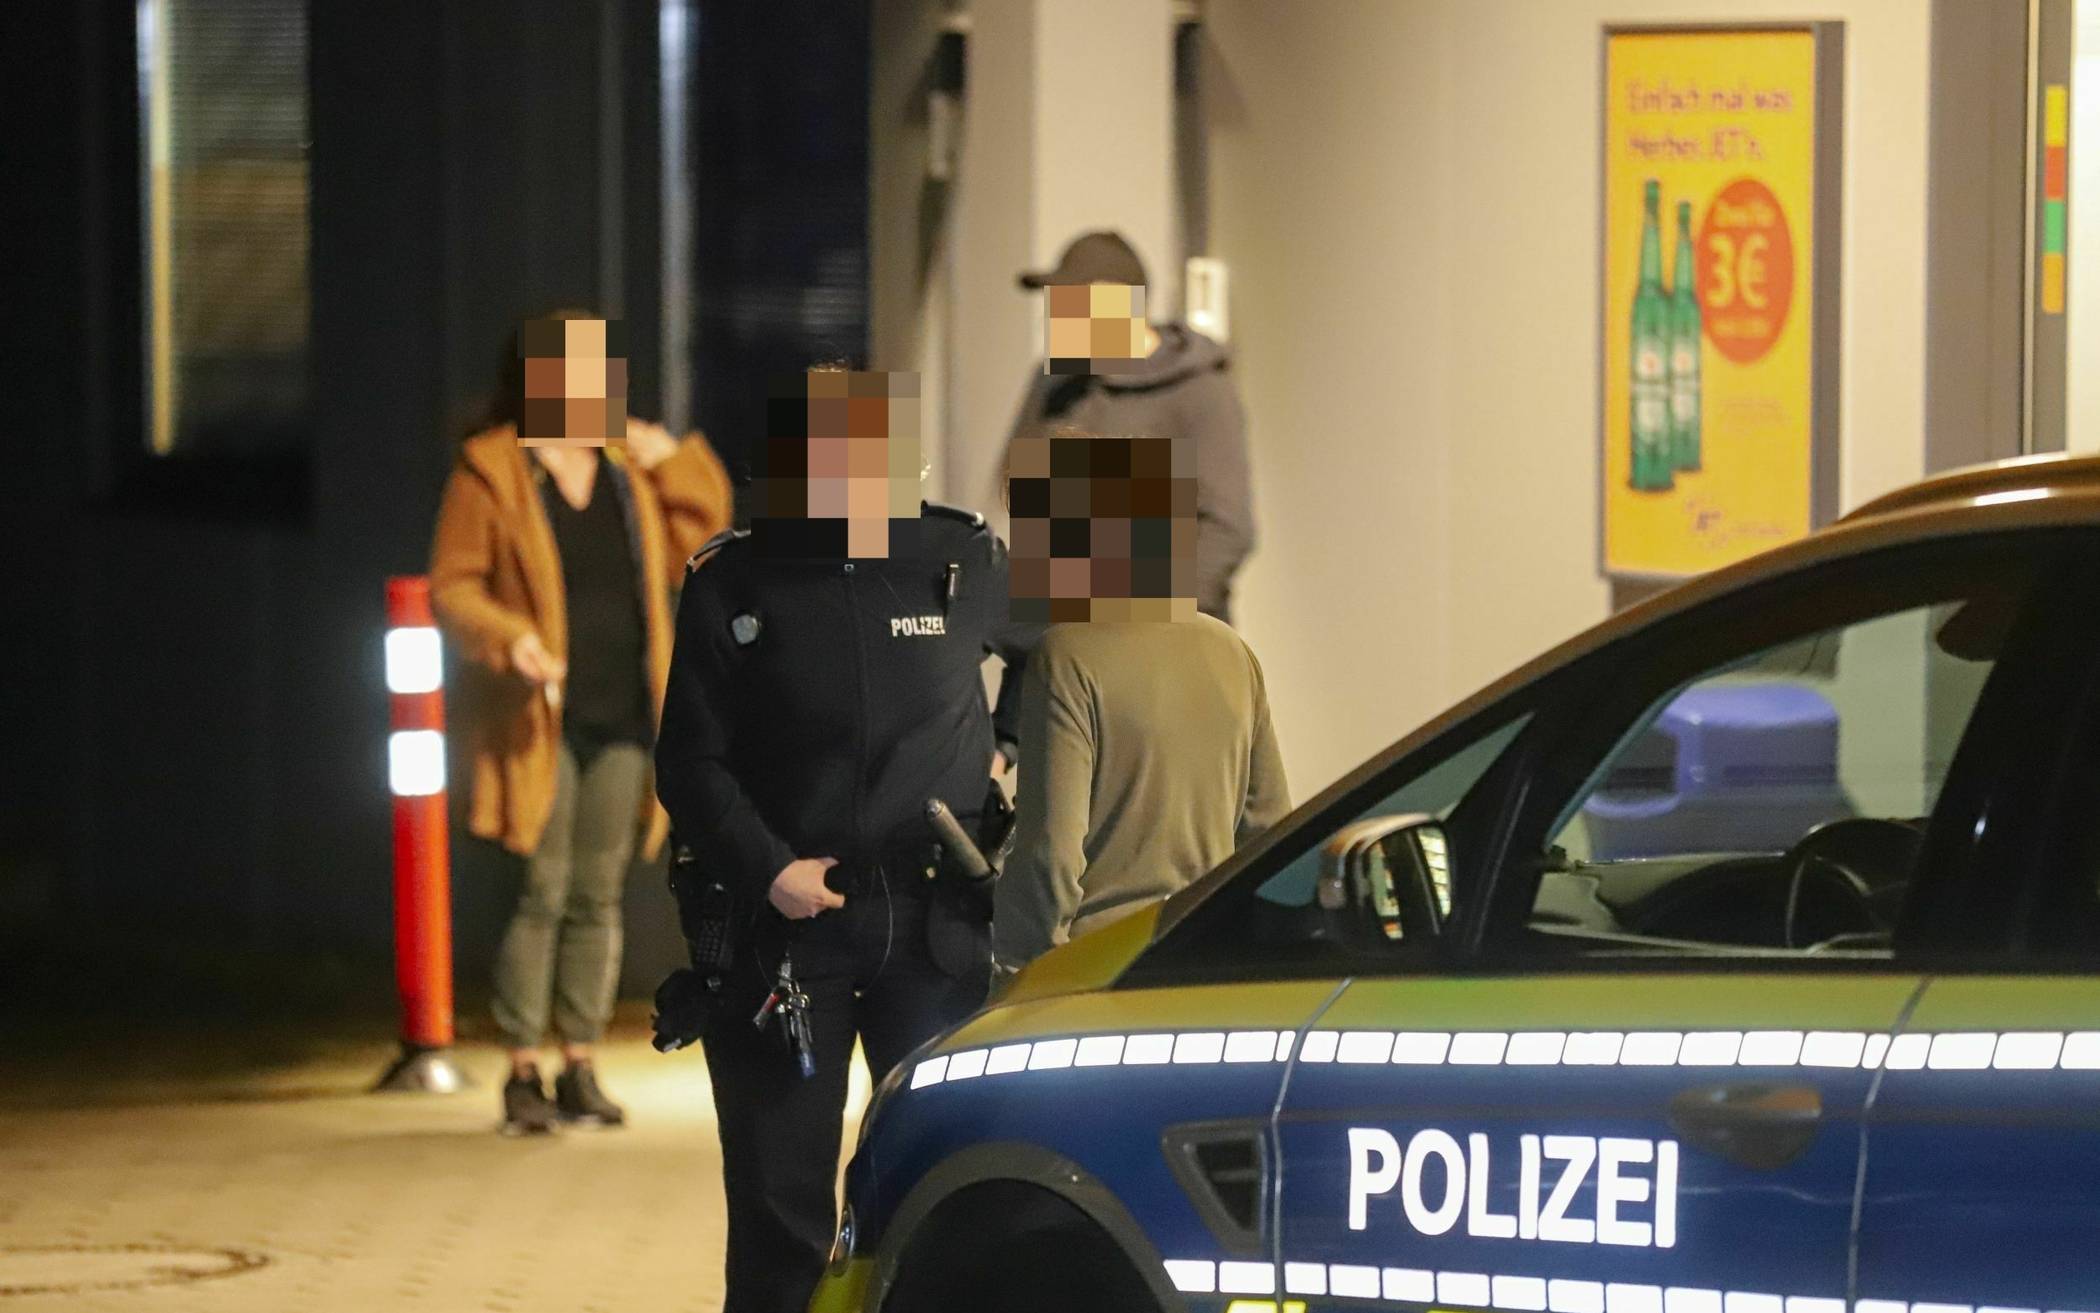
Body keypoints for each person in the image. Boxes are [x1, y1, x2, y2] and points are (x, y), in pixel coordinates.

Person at [655, 367, 1035, 1313]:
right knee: (781, 1209)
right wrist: (769, 869)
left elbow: (1048, 649)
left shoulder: (961, 556)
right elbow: (690, 762)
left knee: (940, 1184)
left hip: (936, 921)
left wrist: (1009, 744)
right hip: (785, 933)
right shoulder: (733, 581)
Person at [430, 312, 733, 1134]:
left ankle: (581, 1061)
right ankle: (523, 1067)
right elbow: (454, 585)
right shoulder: (494, 470)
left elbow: (705, 543)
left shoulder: (626, 471)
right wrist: (510, 638)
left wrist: (673, 459)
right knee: (543, 888)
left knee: (599, 892)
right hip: (541, 717)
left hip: (627, 712)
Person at [992, 429, 1289, 973]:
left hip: (1099, 967)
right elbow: (1269, 834)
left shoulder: (1067, 654)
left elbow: (1052, 854)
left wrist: (1018, 970)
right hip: (1203, 959)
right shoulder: (1231, 651)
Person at [1007, 229, 1257, 623]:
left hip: (1168, 639)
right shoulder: (1055, 384)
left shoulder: (1200, 391)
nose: (1053, 317)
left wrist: (1144, 618)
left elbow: (1227, 529)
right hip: (1066, 631)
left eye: (1069, 302)